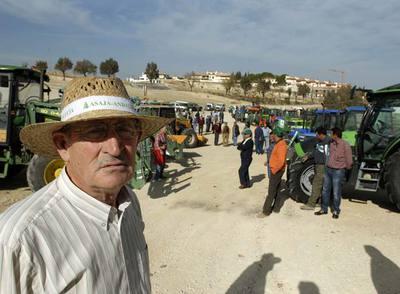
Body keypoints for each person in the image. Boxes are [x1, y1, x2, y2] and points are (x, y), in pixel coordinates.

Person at [0, 77, 171, 293]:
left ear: (137, 137)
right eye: (96, 131)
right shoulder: (20, 240)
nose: (115, 148)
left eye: (125, 130)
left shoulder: (129, 203)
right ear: (63, 145)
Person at [315, 127, 353, 219]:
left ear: (335, 135)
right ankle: (324, 209)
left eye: (331, 133)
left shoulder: (345, 145)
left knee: (336, 192)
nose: (330, 135)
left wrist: (346, 170)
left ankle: (336, 210)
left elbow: (349, 160)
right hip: (328, 170)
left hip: (338, 171)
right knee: (325, 190)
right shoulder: (331, 143)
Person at [258, 126, 288, 217]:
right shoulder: (279, 143)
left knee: (271, 191)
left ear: (276, 135)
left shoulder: (281, 145)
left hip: (277, 171)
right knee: (278, 190)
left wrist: (274, 170)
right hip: (277, 170)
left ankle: (266, 211)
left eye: (272, 134)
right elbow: (276, 157)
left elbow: (281, 161)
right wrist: (269, 162)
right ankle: (276, 208)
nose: (271, 136)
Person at [300, 127, 330, 210]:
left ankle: (311, 204)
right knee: (320, 185)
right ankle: (320, 202)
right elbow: (316, 151)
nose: (316, 136)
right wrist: (308, 156)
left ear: (321, 134)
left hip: (322, 166)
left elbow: (328, 155)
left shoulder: (328, 142)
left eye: (317, 134)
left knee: (316, 184)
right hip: (318, 165)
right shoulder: (320, 142)